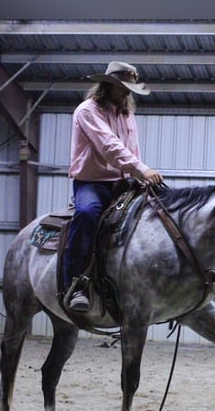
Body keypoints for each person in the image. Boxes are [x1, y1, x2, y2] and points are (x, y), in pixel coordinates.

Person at [63, 61, 164, 313]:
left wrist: (140, 177)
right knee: (86, 215)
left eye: (129, 88)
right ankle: (76, 284)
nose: (127, 93)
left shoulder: (127, 114)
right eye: (123, 88)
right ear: (107, 86)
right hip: (92, 182)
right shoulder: (88, 111)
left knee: (161, 211)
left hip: (123, 182)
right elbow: (110, 147)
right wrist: (142, 169)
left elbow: (132, 149)